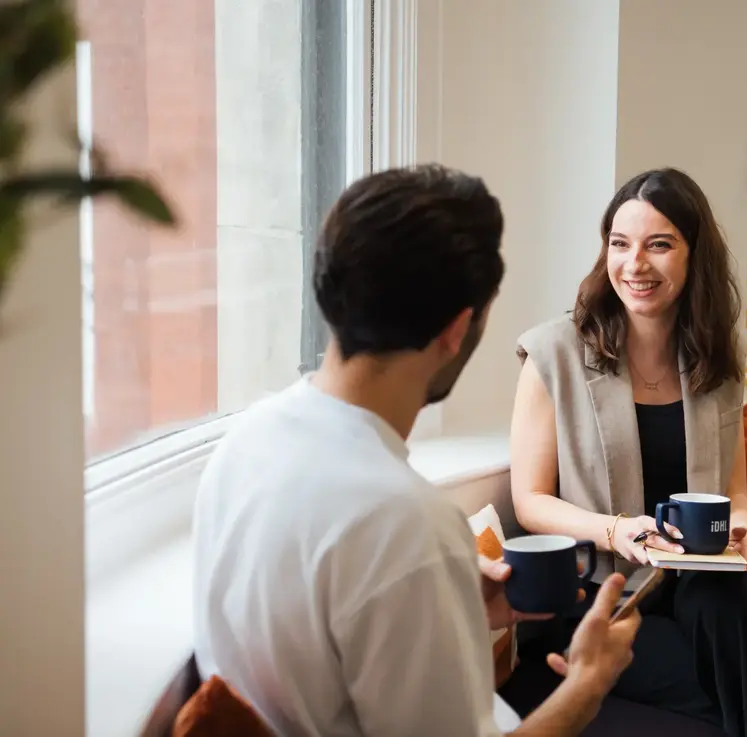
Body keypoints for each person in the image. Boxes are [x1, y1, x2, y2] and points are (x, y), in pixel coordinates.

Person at [191, 164, 640, 737]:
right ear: (457, 329)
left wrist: (452, 608)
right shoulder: (406, 525)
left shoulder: (245, 442)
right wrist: (587, 685)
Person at [507, 168, 747, 737]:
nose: (634, 264)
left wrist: (742, 531)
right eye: (620, 244)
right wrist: (618, 531)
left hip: (701, 585)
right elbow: (529, 500)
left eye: (658, 244)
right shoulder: (552, 353)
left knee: (726, 595)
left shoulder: (714, 360)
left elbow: (734, 495)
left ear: (693, 256)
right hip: (604, 592)